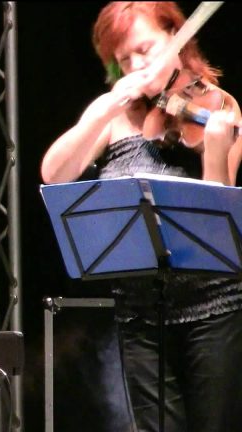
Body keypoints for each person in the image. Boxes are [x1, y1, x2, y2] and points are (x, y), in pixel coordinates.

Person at [41, 2, 242, 431]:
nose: (135, 65)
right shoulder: (117, 114)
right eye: (123, 59)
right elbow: (54, 172)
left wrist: (216, 150)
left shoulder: (216, 105)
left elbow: (217, 223)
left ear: (175, 35)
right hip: (139, 317)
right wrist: (106, 106)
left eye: (145, 50)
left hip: (214, 310)